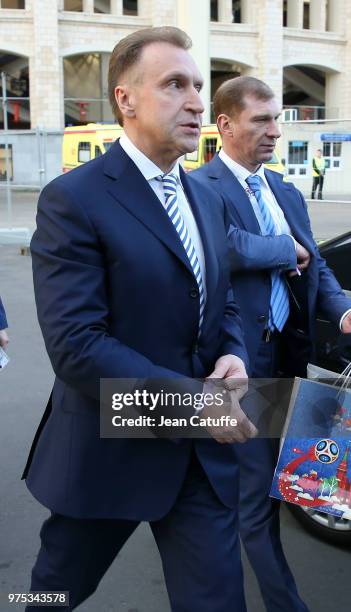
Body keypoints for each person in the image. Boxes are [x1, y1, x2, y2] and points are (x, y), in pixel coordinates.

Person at [22, 28, 258, 612]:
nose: (198, 102)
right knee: (49, 596)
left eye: (198, 86)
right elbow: (77, 344)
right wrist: (194, 404)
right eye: (175, 84)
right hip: (110, 449)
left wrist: (234, 353)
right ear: (125, 99)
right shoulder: (73, 199)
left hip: (200, 456)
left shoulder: (206, 197)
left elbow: (220, 303)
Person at [191, 75, 351, 612]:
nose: (275, 132)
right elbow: (224, 248)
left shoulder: (283, 189)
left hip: (288, 357)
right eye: (262, 120)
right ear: (225, 125)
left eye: (277, 119)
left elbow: (316, 263)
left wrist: (344, 308)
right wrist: (285, 247)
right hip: (235, 361)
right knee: (255, 493)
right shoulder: (200, 187)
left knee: (287, 474)